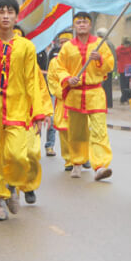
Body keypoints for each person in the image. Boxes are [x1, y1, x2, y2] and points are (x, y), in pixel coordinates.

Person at [0, 0, 52, 220]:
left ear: (16, 16)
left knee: (17, 154)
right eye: (1, 12)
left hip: (17, 107)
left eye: (10, 12)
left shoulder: (26, 46)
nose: (5, 16)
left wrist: (38, 111)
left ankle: (12, 185)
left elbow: (32, 80)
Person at [54, 11, 115, 181]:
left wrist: (100, 58)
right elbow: (59, 68)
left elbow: (110, 65)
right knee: (77, 132)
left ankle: (100, 166)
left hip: (95, 93)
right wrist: (67, 78)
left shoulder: (99, 44)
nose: (82, 24)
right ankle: (77, 162)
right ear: (74, 25)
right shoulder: (67, 47)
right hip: (75, 94)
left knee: (99, 131)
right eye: (78, 22)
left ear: (90, 25)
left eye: (85, 22)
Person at [47, 32, 72, 164]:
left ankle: (82, 156)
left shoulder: (79, 59)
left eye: (66, 42)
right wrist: (62, 92)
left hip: (78, 99)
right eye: (61, 42)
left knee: (80, 130)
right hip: (63, 99)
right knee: (64, 130)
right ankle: (68, 159)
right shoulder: (54, 62)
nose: (63, 45)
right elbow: (51, 80)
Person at [96, 28, 115, 108]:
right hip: (108, 66)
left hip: (104, 66)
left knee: (104, 86)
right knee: (108, 86)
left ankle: (106, 103)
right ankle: (109, 103)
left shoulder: (104, 43)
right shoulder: (109, 43)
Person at [116, 37, 131, 104]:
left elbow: (117, 57)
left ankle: (123, 98)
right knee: (129, 84)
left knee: (123, 84)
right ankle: (129, 97)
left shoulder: (118, 49)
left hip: (122, 67)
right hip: (130, 67)